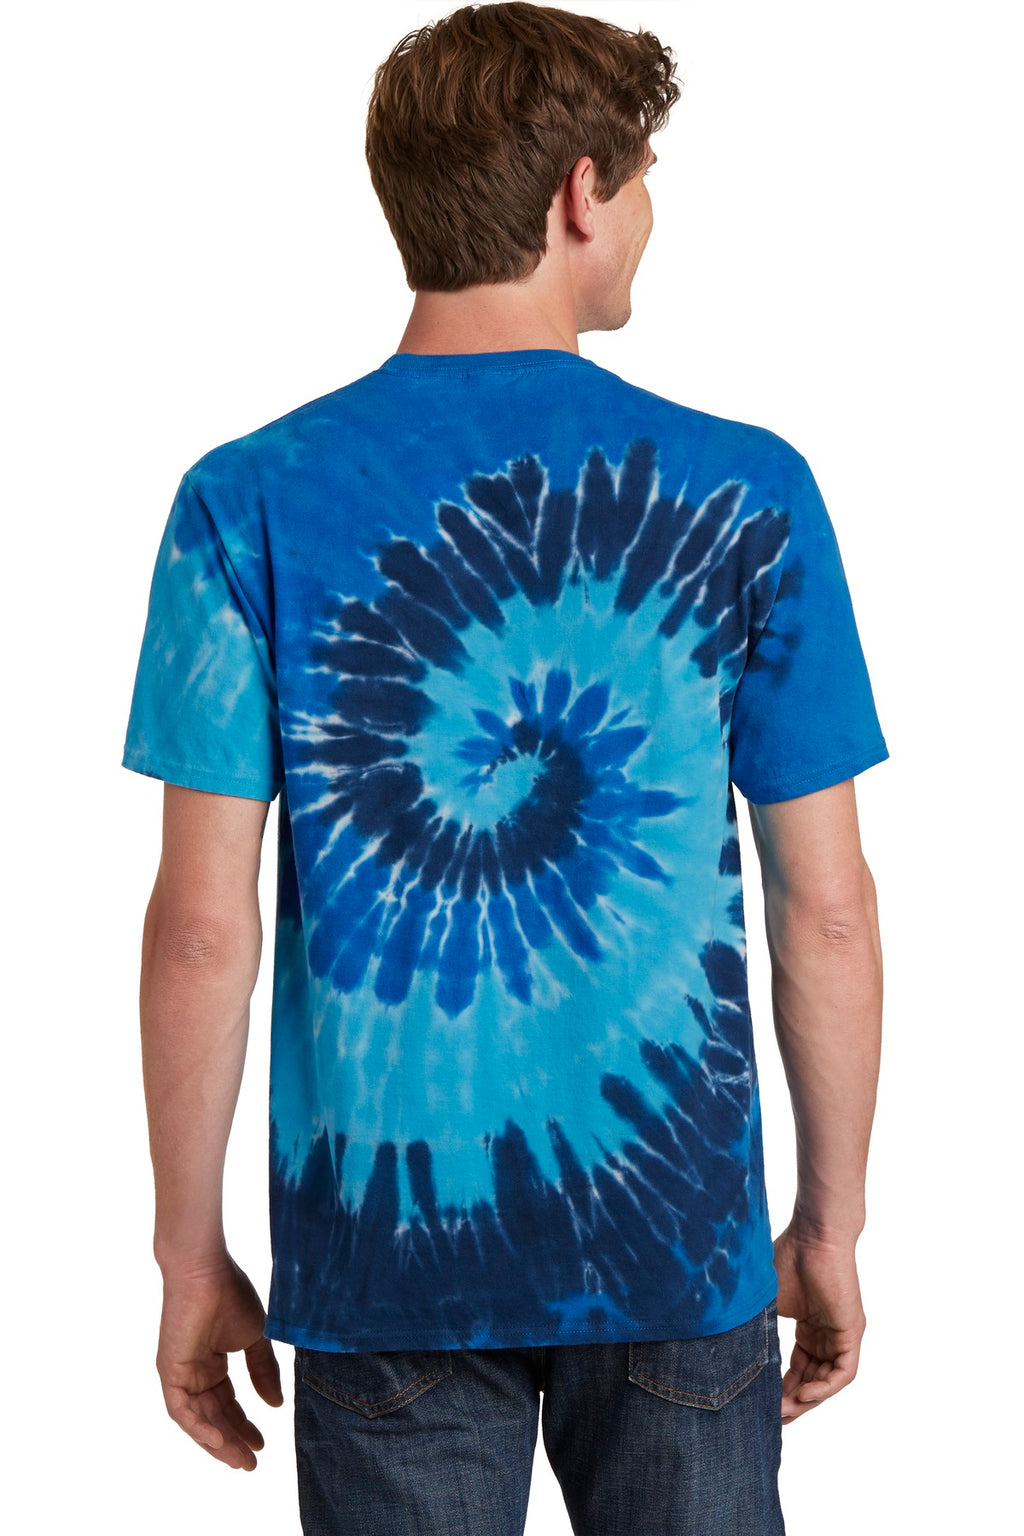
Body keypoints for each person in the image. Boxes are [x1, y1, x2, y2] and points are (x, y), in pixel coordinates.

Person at [121, 4, 887, 1532]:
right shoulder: (747, 493)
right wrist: (829, 1227)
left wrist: (188, 1256)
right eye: (647, 176)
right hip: (675, 1251)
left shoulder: (244, 500)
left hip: (379, 1262)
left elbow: (202, 930)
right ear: (580, 194)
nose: (651, 213)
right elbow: (829, 912)